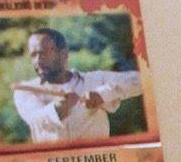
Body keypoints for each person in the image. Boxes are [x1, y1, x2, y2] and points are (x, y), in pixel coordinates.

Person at [10, 25, 143, 144]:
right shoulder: (25, 90)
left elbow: (142, 80)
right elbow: (35, 119)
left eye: (43, 53)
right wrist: (60, 107)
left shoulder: (94, 80)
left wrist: (103, 94)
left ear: (63, 55)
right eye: (33, 55)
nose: (38, 60)